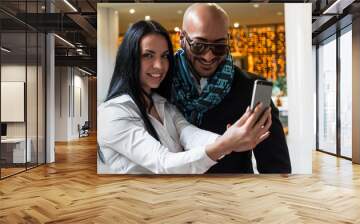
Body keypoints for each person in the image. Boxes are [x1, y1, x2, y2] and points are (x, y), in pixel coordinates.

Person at [97, 20, 272, 174]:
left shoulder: (162, 103)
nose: (159, 66)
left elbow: (188, 134)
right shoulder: (113, 112)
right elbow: (163, 163)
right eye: (148, 55)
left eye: (164, 56)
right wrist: (225, 145)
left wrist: (231, 140)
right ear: (130, 58)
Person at [171, 3, 292, 173]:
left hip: (233, 196)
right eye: (199, 45)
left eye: (219, 46)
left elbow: (276, 166)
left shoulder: (251, 87)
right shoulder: (162, 84)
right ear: (181, 37)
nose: (208, 56)